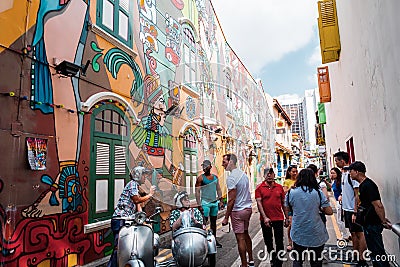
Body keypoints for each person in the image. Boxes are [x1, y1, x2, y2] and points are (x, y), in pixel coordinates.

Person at [108, 166, 156, 267]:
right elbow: (136, 200)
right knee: (119, 247)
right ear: (138, 175)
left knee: (128, 246)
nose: (145, 178)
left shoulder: (135, 187)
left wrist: (145, 222)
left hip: (126, 220)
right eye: (143, 175)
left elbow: (138, 207)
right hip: (120, 219)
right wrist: (150, 194)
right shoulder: (132, 184)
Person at [284, 169, 333, 267]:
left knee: (298, 260)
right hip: (315, 231)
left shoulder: (291, 192)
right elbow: (330, 211)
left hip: (298, 231)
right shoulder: (318, 192)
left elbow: (287, 207)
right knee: (316, 261)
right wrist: (319, 208)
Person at [348, 161, 392, 267]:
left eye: (351, 171)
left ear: (357, 172)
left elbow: (378, 205)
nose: (350, 174)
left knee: (377, 251)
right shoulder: (363, 185)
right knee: (374, 250)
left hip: (373, 223)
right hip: (368, 223)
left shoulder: (369, 185)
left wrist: (383, 221)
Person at [334, 151, 367, 266]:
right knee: (353, 234)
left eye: (337, 160)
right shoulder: (343, 174)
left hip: (353, 210)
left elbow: (357, 194)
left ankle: (362, 259)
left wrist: (355, 211)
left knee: (360, 233)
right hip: (347, 209)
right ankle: (355, 255)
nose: (336, 163)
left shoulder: (351, 174)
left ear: (342, 160)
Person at [221, 153, 254, 267]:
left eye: (224, 162)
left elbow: (231, 200)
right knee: (246, 234)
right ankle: (251, 260)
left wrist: (226, 217)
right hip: (247, 209)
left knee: (240, 238)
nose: (222, 164)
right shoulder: (243, 175)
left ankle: (244, 265)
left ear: (230, 162)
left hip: (238, 211)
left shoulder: (231, 178)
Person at [255, 168, 288, 267]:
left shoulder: (279, 187)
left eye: (271, 173)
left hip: (278, 218)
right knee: (268, 241)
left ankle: (278, 262)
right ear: (264, 176)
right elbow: (259, 203)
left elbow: (283, 203)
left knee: (279, 241)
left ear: (274, 175)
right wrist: (265, 217)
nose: (269, 175)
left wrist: (287, 217)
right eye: (267, 174)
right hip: (265, 220)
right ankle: (273, 257)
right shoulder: (259, 188)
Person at [195, 159, 224, 247]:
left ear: (210, 167)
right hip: (205, 203)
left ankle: (214, 240)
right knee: (204, 223)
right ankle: (202, 241)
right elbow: (197, 192)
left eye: (206, 166)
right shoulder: (200, 178)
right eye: (203, 166)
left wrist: (221, 201)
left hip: (214, 203)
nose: (205, 168)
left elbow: (218, 189)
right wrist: (199, 205)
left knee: (213, 223)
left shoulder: (215, 177)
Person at [330, 167, 350, 241]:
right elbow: (333, 188)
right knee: (342, 219)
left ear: (337, 174)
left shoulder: (340, 181)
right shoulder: (334, 181)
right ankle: (347, 234)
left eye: (333, 173)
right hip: (338, 202)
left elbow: (344, 189)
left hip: (341, 202)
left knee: (340, 220)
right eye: (331, 173)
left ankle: (345, 235)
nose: (331, 174)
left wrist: (341, 195)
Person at [283, 165, 298, 251]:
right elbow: (284, 192)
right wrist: (290, 188)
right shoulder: (287, 181)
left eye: (296, 171)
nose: (295, 173)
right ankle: (290, 242)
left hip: (298, 205)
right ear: (289, 172)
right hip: (289, 205)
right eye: (293, 171)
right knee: (291, 225)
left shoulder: (299, 180)